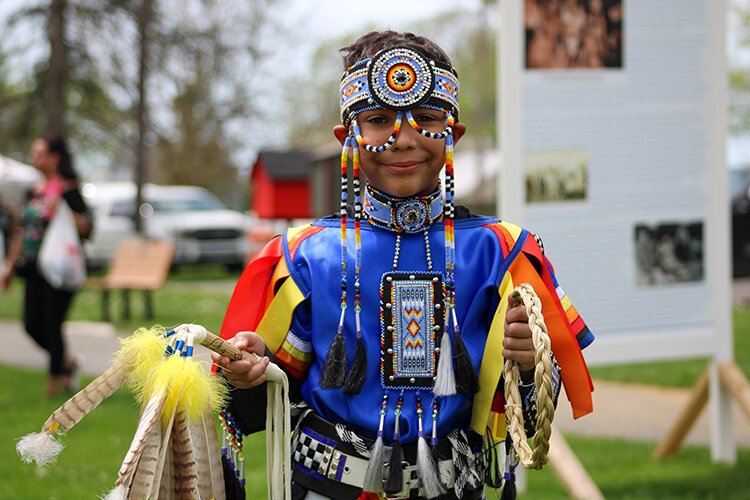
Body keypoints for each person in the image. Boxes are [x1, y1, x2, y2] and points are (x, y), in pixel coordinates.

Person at [213, 31, 594, 499]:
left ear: (453, 133)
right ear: (347, 136)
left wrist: (535, 362)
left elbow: (532, 415)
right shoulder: (301, 256)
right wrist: (249, 370)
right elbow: (253, 410)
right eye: (378, 120)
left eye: (426, 118)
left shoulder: (505, 253)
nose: (403, 139)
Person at [1, 133, 93, 397]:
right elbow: (21, 230)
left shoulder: (69, 190)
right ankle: (68, 362)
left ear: (55, 158)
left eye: (39, 153)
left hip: (61, 269)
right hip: (33, 268)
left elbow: (87, 227)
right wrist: (9, 265)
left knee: (53, 324)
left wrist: (63, 207)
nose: (34, 158)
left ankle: (53, 386)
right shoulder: (33, 191)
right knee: (32, 325)